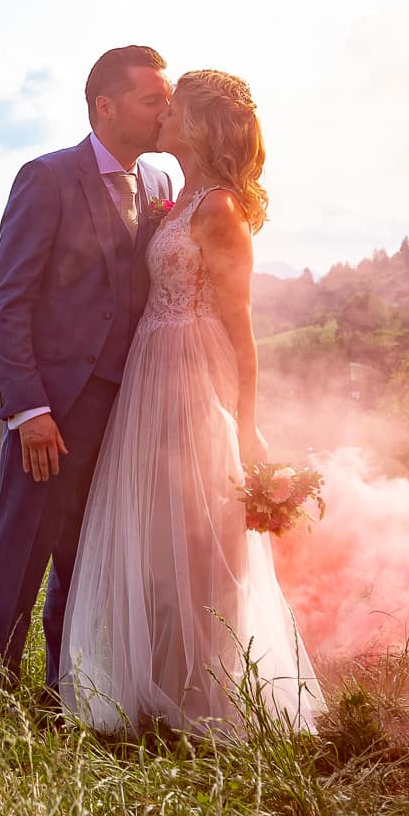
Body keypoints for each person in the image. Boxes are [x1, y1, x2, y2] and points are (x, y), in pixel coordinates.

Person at [58, 70, 321, 735]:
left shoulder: (220, 211)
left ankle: (210, 695)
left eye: (172, 110)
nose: (162, 117)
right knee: (155, 530)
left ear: (198, 127)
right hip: (150, 374)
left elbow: (241, 327)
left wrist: (248, 424)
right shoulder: (178, 198)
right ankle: (155, 686)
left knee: (203, 535)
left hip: (195, 373)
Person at [0, 46, 176, 701]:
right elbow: (10, 302)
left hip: (124, 418)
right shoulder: (47, 177)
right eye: (153, 100)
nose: (164, 112)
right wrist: (29, 410)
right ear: (106, 106)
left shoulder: (160, 188)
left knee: (88, 566)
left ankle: (73, 695)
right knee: (21, 560)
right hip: (53, 418)